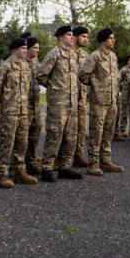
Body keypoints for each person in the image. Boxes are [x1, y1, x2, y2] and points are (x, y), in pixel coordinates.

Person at [0, 37, 37, 188]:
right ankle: (2, 173)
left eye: (25, 48)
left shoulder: (25, 65)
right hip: (10, 111)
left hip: (23, 111)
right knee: (7, 142)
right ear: (15, 49)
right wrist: (5, 100)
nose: (25, 51)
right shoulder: (6, 66)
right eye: (22, 48)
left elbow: (28, 87)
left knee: (22, 142)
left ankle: (19, 171)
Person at [36, 25, 82, 182]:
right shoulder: (54, 54)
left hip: (72, 102)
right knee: (55, 134)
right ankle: (47, 168)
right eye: (69, 35)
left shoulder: (73, 55)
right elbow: (41, 74)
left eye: (72, 35)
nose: (72, 37)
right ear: (61, 37)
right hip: (58, 103)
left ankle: (65, 167)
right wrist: (54, 88)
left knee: (70, 136)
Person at [78, 28, 123, 175]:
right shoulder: (95, 57)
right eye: (111, 38)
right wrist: (96, 85)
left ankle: (106, 161)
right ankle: (93, 163)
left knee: (108, 132)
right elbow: (83, 74)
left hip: (112, 100)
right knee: (96, 132)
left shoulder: (113, 56)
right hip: (99, 101)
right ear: (104, 40)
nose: (113, 40)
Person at [24, 35, 43, 174]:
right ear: (28, 49)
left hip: (36, 105)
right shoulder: (20, 62)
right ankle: (20, 164)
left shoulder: (37, 62)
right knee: (22, 137)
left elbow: (43, 80)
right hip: (24, 107)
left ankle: (31, 161)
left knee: (34, 136)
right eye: (35, 48)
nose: (38, 50)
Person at [72, 26, 90, 162]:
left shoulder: (85, 55)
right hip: (67, 99)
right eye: (83, 36)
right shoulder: (65, 53)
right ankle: (59, 160)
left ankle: (78, 156)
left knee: (81, 128)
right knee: (65, 130)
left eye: (87, 37)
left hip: (82, 98)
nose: (86, 39)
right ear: (75, 36)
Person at [116, 54, 130, 140]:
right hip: (125, 93)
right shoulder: (124, 70)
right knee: (124, 112)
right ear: (127, 62)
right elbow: (118, 80)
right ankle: (122, 130)